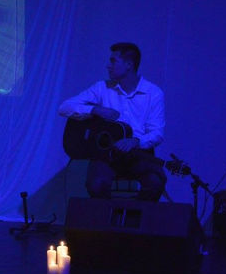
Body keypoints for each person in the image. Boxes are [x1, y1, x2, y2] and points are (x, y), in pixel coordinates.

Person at [59, 42, 166, 201]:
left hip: (138, 154)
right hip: (107, 155)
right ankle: (107, 215)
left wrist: (135, 141)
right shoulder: (102, 88)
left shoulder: (153, 93)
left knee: (155, 183)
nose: (108, 66)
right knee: (96, 184)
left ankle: (132, 213)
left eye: (113, 61)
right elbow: (64, 107)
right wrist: (95, 109)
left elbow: (157, 132)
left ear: (129, 65)